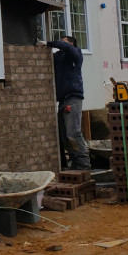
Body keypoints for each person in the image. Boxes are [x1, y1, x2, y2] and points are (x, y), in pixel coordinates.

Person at [39, 35, 90, 171]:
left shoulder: (75, 54)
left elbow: (66, 47)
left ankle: (84, 166)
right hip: (62, 100)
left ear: (71, 44)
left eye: (63, 42)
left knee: (73, 133)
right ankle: (75, 164)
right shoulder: (60, 57)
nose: (60, 44)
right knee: (64, 136)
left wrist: (48, 43)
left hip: (73, 98)